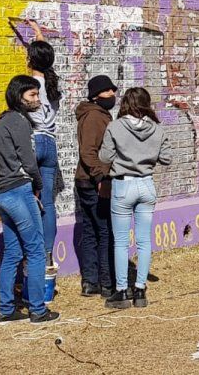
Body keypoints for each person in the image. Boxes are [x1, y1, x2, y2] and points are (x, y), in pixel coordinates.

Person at [0, 75, 59, 324]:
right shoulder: (19, 121)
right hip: (19, 191)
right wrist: (38, 186)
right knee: (37, 250)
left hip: (2, 193)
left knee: (12, 253)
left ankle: (6, 309)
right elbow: (28, 160)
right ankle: (38, 309)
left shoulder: (7, 120)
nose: (37, 99)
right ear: (20, 97)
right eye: (32, 95)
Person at [99, 87, 171, 309]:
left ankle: (121, 291)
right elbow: (167, 158)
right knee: (144, 240)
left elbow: (104, 156)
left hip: (123, 184)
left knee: (121, 242)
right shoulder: (158, 129)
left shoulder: (115, 126)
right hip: (147, 184)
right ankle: (140, 289)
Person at [74, 75, 117, 298]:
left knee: (91, 231)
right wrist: (100, 177)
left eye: (113, 90)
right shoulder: (93, 117)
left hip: (88, 179)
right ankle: (105, 282)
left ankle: (91, 282)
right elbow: (88, 151)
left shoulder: (98, 114)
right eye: (107, 91)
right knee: (103, 232)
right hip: (93, 182)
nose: (112, 94)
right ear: (96, 95)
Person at [24, 19, 62, 272]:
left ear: (29, 60)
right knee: (47, 203)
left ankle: (31, 255)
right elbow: (46, 60)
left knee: (25, 200)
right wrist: (38, 33)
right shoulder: (52, 86)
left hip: (34, 141)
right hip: (50, 144)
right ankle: (48, 254)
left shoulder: (31, 88)